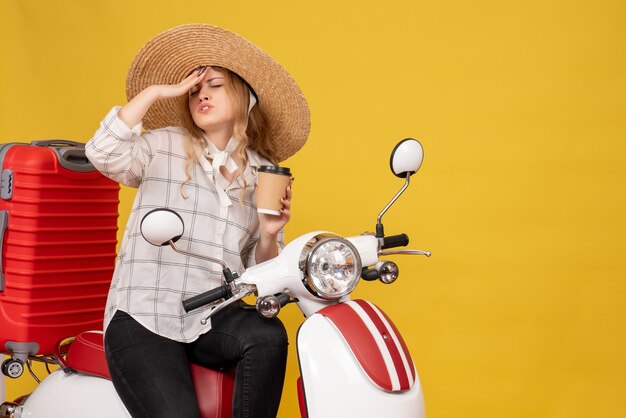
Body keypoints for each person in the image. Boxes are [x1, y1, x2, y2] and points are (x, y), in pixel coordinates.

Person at [85, 24, 310, 418]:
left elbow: (262, 277)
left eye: (216, 85)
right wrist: (156, 92)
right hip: (144, 316)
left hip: (210, 319)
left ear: (245, 96)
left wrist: (270, 234)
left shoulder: (263, 173)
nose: (201, 93)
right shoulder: (163, 144)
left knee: (266, 334)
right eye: (193, 89)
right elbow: (102, 152)